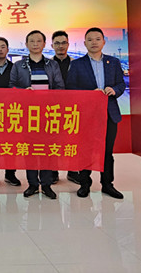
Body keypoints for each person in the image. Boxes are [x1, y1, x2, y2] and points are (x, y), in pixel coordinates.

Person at [66, 27, 126, 199]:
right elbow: (71, 88)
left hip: (109, 113)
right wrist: (89, 95)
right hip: (87, 115)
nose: (94, 42)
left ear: (103, 42)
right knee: (85, 150)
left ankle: (107, 184)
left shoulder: (113, 62)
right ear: (84, 43)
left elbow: (121, 84)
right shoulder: (77, 64)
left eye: (97, 39)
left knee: (107, 151)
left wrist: (114, 90)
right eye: (90, 39)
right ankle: (85, 184)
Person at [9, 30, 64, 200]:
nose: (35, 44)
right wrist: (23, 92)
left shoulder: (52, 65)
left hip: (48, 114)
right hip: (27, 114)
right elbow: (11, 86)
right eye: (31, 41)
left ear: (44, 44)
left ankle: (46, 184)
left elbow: (60, 87)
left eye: (38, 41)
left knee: (47, 150)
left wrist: (50, 98)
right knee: (30, 150)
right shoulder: (18, 65)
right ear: (26, 44)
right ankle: (32, 184)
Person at [0, 37, 21, 187]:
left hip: (11, 112)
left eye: (2, 47)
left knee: (10, 144)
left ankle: (10, 174)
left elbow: (19, 86)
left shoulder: (15, 68)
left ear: (7, 49)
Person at [50, 30, 80, 185]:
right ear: (52, 45)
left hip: (73, 109)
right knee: (53, 140)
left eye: (63, 43)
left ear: (68, 44)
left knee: (72, 140)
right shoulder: (47, 64)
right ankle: (53, 172)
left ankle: (73, 172)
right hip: (52, 109)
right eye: (57, 43)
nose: (60, 46)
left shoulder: (77, 64)